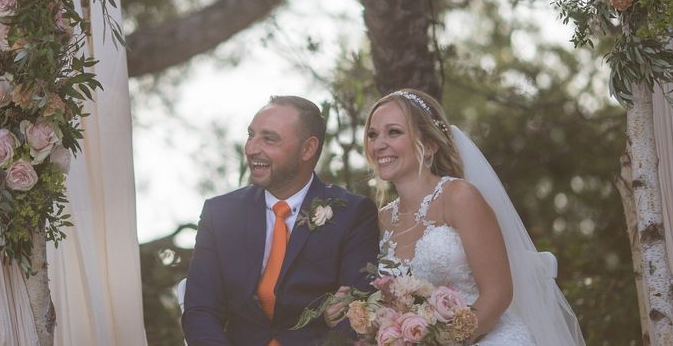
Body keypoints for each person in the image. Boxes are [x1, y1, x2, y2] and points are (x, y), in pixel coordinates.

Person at [362, 88, 585, 345]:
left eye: (394, 132)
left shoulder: (459, 197)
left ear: (430, 144)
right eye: (372, 134)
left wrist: (443, 341)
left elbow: (498, 294)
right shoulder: (381, 219)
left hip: (486, 334)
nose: (379, 144)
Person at [182, 95, 379, 345]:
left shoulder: (352, 214)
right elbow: (201, 310)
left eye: (269, 138)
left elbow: (355, 313)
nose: (252, 148)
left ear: (307, 149)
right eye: (250, 135)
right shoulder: (220, 213)